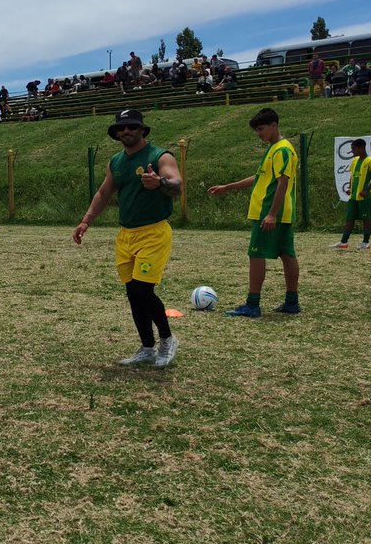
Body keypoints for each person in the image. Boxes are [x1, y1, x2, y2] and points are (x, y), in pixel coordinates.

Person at [73, 109, 182, 367]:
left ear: (142, 130)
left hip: (153, 232)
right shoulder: (116, 162)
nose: (126, 132)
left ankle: (167, 340)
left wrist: (161, 184)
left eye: (132, 127)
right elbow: (104, 192)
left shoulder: (160, 156)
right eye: (121, 128)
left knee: (142, 290)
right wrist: (86, 220)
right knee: (133, 293)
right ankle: (147, 347)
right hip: (126, 235)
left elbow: (177, 185)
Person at [209, 108, 301, 317]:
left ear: (274, 125)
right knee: (287, 254)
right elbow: (260, 177)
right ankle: (292, 302)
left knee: (256, 255)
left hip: (268, 211)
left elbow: (282, 183)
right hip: (280, 212)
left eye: (261, 129)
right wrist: (229, 187)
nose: (258, 133)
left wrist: (271, 214)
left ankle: (252, 304)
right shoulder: (275, 149)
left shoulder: (282, 150)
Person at [332, 138, 371, 250]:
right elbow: (353, 176)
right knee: (349, 218)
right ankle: (343, 242)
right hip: (354, 197)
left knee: (366, 219)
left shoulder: (370, 161)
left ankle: (366, 242)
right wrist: (350, 188)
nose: (352, 152)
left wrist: (366, 190)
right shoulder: (354, 161)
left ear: (361, 148)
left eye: (354, 149)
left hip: (366, 197)